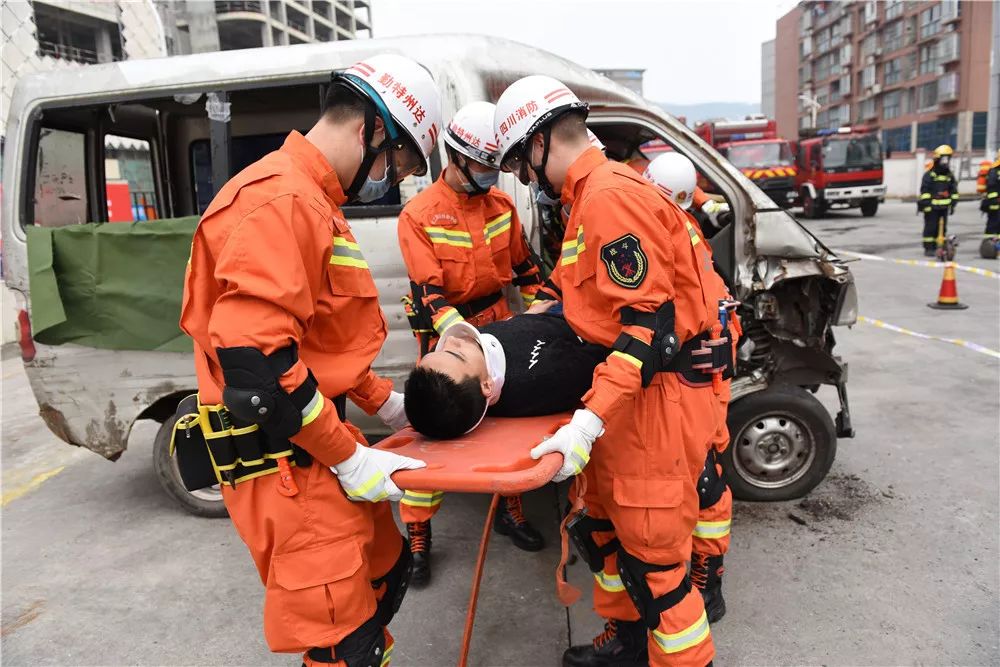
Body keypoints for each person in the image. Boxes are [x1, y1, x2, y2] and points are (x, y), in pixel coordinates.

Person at [179, 54, 440, 666]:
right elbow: (259, 369)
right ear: (371, 129)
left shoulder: (312, 202)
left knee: (388, 571)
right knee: (345, 644)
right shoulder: (282, 200)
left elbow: (317, 343)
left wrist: (385, 401)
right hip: (286, 469)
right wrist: (350, 457)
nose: (389, 178)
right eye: (395, 163)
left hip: (313, 448)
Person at [494, 75, 733, 666]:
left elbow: (644, 329)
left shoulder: (610, 198)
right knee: (601, 532)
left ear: (540, 142)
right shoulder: (594, 197)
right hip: (622, 401)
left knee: (656, 567)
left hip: (647, 402)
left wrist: (587, 422)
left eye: (524, 166)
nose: (528, 180)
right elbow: (588, 301)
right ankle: (627, 646)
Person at [396, 101, 545, 586]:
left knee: (507, 425)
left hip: (499, 326)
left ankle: (511, 510)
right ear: (456, 157)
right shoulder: (419, 215)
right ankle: (418, 535)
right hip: (447, 340)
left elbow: (524, 271)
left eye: (495, 165)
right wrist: (471, 342)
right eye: (483, 165)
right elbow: (430, 295)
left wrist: (540, 319)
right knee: (430, 440)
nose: (491, 175)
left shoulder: (501, 208)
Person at [643, 151, 742, 624]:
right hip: (683, 389)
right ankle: (695, 576)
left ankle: (707, 577)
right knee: (699, 488)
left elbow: (723, 308)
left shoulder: (684, 238)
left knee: (705, 486)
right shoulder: (678, 230)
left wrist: (725, 348)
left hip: (694, 391)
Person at [403, 301, 609, 438]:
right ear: (487, 385)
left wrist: (525, 319)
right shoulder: (545, 377)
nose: (452, 339)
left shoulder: (474, 356)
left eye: (439, 348)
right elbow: (606, 350)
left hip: (541, 315)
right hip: (589, 316)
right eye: (456, 353)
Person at [919, 145, 959, 257]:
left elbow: (954, 191)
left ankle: (939, 247)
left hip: (944, 208)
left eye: (947, 159)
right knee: (931, 228)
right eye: (943, 159)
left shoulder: (949, 176)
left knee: (942, 229)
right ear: (937, 159)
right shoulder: (929, 175)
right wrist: (928, 205)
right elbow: (925, 191)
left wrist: (953, 203)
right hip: (932, 208)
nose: (945, 162)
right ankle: (929, 248)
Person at [980, 149, 1000, 249]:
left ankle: (997, 246)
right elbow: (991, 187)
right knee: (993, 225)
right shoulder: (994, 171)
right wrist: (995, 201)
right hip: (994, 204)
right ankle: (988, 246)